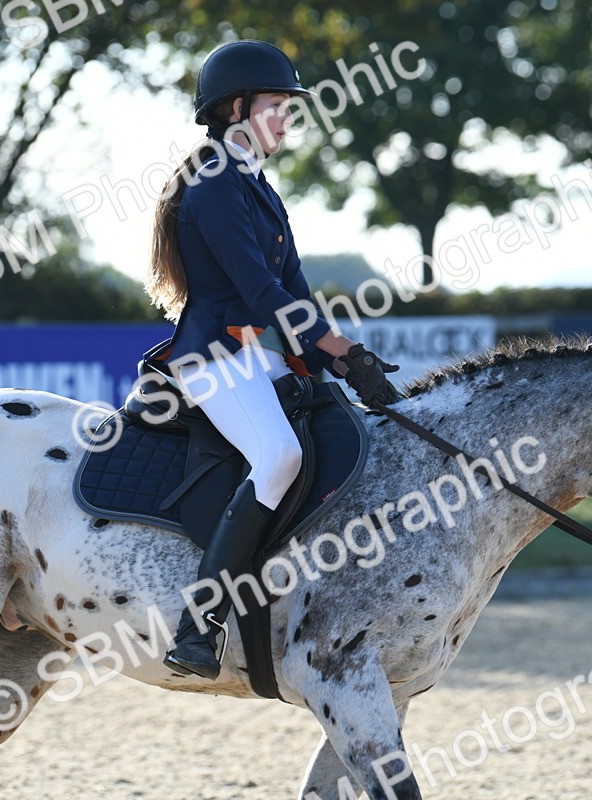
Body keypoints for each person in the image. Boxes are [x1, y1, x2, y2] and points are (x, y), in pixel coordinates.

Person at [144, 39, 400, 680]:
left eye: (291, 106)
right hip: (218, 358)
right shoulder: (212, 183)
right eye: (278, 105)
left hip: (267, 356)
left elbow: (294, 291)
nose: (289, 118)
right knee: (280, 455)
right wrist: (330, 345)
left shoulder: (259, 187)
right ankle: (198, 626)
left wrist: (339, 357)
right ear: (237, 108)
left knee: (348, 434)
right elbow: (259, 292)